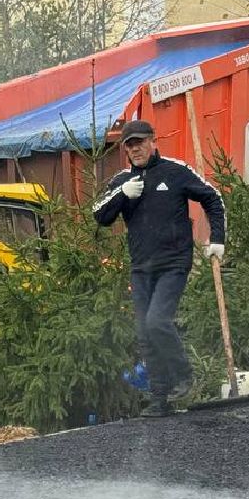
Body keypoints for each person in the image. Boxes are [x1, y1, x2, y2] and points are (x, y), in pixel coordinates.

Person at [93, 119, 227, 418]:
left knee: (157, 322)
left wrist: (217, 239)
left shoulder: (175, 171)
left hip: (174, 262)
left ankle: (183, 376)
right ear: (125, 150)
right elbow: (99, 216)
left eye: (140, 142)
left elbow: (213, 198)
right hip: (141, 266)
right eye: (129, 144)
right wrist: (121, 194)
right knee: (144, 331)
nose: (135, 148)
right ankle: (159, 399)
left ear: (153, 141)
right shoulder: (123, 182)